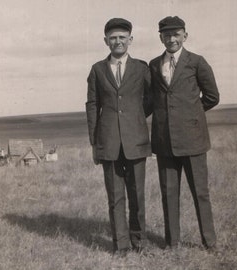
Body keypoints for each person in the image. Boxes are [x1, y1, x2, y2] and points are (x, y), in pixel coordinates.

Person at [148, 16, 220, 251]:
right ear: (161, 38)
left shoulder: (197, 62)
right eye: (167, 35)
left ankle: (209, 242)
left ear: (185, 36)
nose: (171, 39)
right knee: (169, 194)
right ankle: (172, 243)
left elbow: (212, 96)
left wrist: (191, 116)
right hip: (164, 142)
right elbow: (151, 100)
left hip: (193, 141)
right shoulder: (153, 64)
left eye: (176, 34)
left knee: (201, 193)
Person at [85, 18, 151, 256]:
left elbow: (151, 99)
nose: (118, 41)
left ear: (130, 40)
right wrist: (95, 142)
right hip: (109, 143)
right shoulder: (97, 70)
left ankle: (139, 242)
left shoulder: (142, 69)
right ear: (106, 41)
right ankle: (120, 245)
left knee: (137, 195)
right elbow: (92, 106)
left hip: (136, 141)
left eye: (122, 37)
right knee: (115, 197)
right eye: (113, 37)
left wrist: (135, 118)